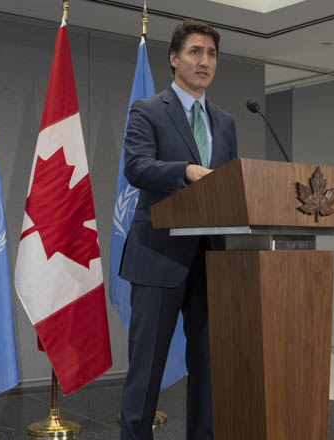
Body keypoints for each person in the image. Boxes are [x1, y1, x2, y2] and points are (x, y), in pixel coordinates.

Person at [118, 19, 238, 440]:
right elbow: (136, 166)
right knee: (145, 369)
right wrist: (184, 170)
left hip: (211, 260)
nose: (204, 61)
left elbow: (228, 186)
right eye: (195, 52)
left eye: (211, 54)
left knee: (208, 365)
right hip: (158, 256)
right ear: (174, 59)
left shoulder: (224, 121)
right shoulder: (147, 110)